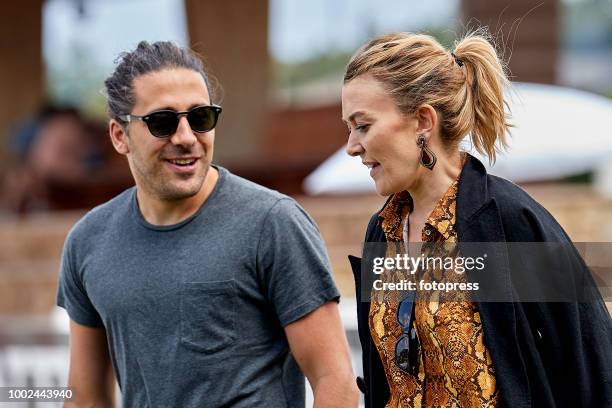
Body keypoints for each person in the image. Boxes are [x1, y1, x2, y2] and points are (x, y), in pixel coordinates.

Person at [57, 41, 359, 408]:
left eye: (200, 118)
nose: (186, 138)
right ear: (120, 136)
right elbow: (85, 399)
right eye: (163, 122)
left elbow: (335, 379)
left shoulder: (273, 223)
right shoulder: (88, 242)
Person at [342, 31, 612, 407]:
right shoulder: (382, 233)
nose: (352, 146)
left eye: (363, 125)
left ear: (423, 120)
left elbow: (595, 366)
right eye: (349, 128)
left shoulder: (509, 220)